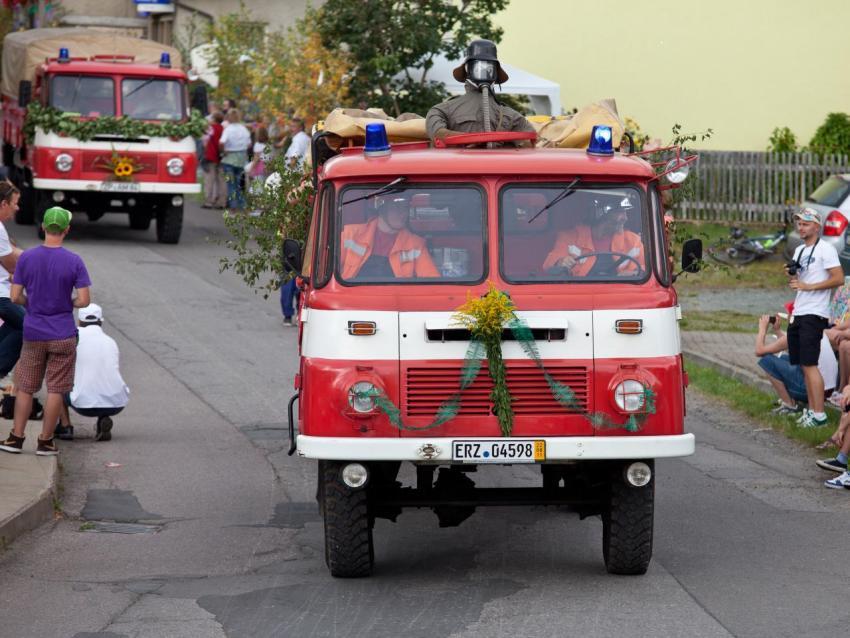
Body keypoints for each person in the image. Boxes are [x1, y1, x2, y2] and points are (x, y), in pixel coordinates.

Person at [0, 207, 91, 456]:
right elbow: (84, 300)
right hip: (62, 333)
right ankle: (46, 441)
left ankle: (16, 438)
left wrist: (31, 302)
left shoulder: (27, 259)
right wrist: (67, 304)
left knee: (26, 387)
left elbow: (15, 295)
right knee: (56, 388)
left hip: (34, 333)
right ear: (66, 230)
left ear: (43, 228)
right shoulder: (74, 261)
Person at [786, 207, 844, 428]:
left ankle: (819, 414)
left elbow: (838, 278)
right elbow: (799, 282)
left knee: (811, 364)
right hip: (800, 310)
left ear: (817, 227)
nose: (801, 227)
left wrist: (809, 286)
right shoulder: (799, 250)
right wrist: (793, 278)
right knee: (803, 364)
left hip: (815, 312)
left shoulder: (826, 249)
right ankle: (812, 410)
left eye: (806, 224)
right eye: (799, 224)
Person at [426, 39, 534, 144]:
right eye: (479, 69)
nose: (484, 71)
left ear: (467, 70)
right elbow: (533, 143)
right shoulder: (512, 116)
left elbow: (438, 134)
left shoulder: (443, 110)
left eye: (488, 69)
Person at [54, 304, 129, 442]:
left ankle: (65, 426)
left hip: (84, 405)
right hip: (116, 403)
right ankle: (102, 420)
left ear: (80, 321)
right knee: (102, 377)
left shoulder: (72, 338)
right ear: (100, 321)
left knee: (56, 383)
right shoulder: (110, 342)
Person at [340, 195, 440, 280]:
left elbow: (432, 281)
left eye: (405, 208)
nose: (404, 213)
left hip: (396, 301)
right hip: (354, 299)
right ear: (382, 209)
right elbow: (327, 272)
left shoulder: (415, 244)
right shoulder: (350, 234)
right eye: (397, 207)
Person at [755, 313, 837, 414]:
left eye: (789, 313)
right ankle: (793, 401)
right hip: (827, 390)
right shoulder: (812, 329)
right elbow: (791, 346)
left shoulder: (799, 331)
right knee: (785, 358)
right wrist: (777, 330)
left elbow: (759, 351)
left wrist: (762, 329)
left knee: (767, 360)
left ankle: (789, 405)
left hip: (814, 392)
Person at [541, 197, 644, 276]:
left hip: (619, 295)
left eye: (625, 212)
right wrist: (560, 262)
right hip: (579, 295)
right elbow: (549, 264)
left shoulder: (633, 240)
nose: (625, 218)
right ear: (600, 214)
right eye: (619, 212)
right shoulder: (569, 237)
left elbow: (646, 269)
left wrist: (635, 273)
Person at [0, 181, 25, 378]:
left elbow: (13, 252)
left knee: (16, 325)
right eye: (14, 203)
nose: (17, 208)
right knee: (30, 326)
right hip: (2, 295)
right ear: (3, 204)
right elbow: (12, 265)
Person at [219, 108, 251, 210]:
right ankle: (242, 204)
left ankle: (233, 205)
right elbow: (249, 144)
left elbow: (221, 142)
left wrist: (223, 151)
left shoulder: (228, 129)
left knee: (230, 184)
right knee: (240, 183)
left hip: (229, 158)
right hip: (241, 158)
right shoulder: (243, 129)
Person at [202, 111, 226, 209]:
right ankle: (222, 202)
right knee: (221, 180)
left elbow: (205, 141)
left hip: (211, 156)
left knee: (209, 179)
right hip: (221, 156)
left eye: (211, 118)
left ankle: (209, 201)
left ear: (214, 119)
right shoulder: (223, 129)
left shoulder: (210, 128)